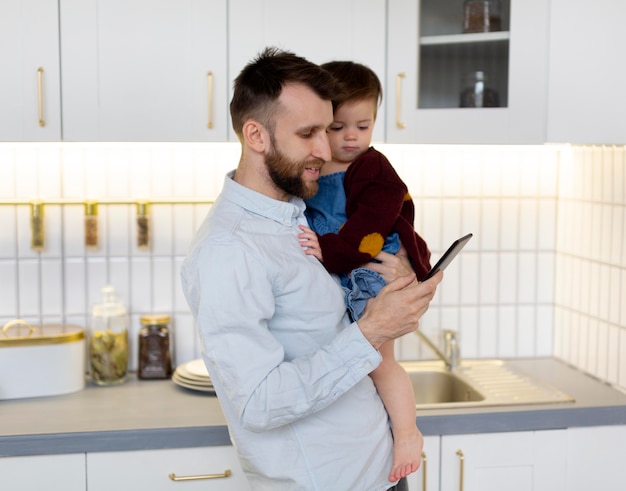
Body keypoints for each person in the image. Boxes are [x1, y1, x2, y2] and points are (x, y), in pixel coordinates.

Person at [180, 47, 442, 491]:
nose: (326, 149)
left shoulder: (303, 209)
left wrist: (395, 277)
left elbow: (337, 310)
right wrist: (371, 332)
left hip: (379, 471)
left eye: (328, 128)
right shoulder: (229, 250)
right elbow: (258, 403)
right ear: (256, 136)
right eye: (308, 133)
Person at [301, 60, 432, 483]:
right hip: (339, 259)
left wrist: (326, 251)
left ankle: (408, 433)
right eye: (337, 127)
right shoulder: (315, 167)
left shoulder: (372, 168)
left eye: (363, 125)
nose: (351, 137)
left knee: (377, 360)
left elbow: (368, 230)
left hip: (365, 263)